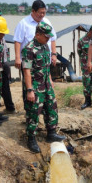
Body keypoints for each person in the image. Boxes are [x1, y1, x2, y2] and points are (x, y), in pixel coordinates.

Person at [22, 21, 66, 153]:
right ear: (38, 34)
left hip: (46, 84)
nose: (48, 39)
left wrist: (51, 80)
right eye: (46, 36)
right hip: (35, 86)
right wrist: (29, 90)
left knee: (51, 108)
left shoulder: (45, 46)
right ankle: (31, 139)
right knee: (33, 113)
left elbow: (46, 66)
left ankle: (51, 133)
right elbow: (26, 71)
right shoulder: (29, 49)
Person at [14, 0, 57, 103]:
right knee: (29, 84)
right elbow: (17, 41)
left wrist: (54, 54)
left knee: (46, 83)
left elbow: (53, 38)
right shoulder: (24, 23)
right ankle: (29, 108)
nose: (42, 15)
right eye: (40, 13)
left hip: (44, 60)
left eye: (44, 12)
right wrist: (17, 58)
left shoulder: (46, 22)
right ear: (33, 11)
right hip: (30, 60)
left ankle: (44, 106)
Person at [77, 25, 92, 110]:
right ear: (89, 32)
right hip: (86, 65)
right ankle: (87, 101)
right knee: (86, 83)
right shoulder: (81, 41)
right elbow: (79, 52)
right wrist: (85, 61)